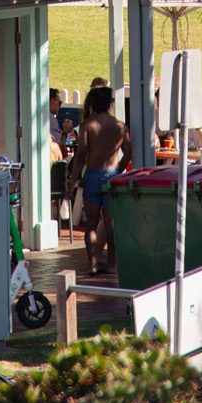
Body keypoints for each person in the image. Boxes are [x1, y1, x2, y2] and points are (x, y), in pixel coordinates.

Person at [67, 84, 130, 274]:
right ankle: (112, 263)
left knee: (91, 224)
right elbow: (128, 153)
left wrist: (72, 181)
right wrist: (118, 168)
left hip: (93, 175)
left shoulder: (88, 125)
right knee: (110, 224)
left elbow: (80, 156)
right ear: (110, 104)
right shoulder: (120, 126)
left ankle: (93, 263)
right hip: (112, 175)